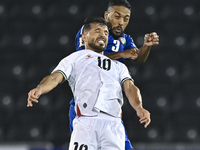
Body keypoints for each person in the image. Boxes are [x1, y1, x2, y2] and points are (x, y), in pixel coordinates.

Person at [27, 16, 151, 150]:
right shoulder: (74, 58)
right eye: (97, 30)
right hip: (86, 122)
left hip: (113, 124)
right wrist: (40, 89)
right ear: (84, 37)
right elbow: (55, 78)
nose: (103, 35)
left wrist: (139, 107)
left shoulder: (119, 67)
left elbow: (130, 87)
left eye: (105, 32)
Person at [70, 0, 159, 149]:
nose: (121, 22)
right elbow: (85, 60)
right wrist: (121, 54)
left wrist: (146, 47)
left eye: (126, 18)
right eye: (117, 16)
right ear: (107, 15)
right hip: (85, 108)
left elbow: (138, 59)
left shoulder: (125, 39)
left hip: (110, 109)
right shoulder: (90, 32)